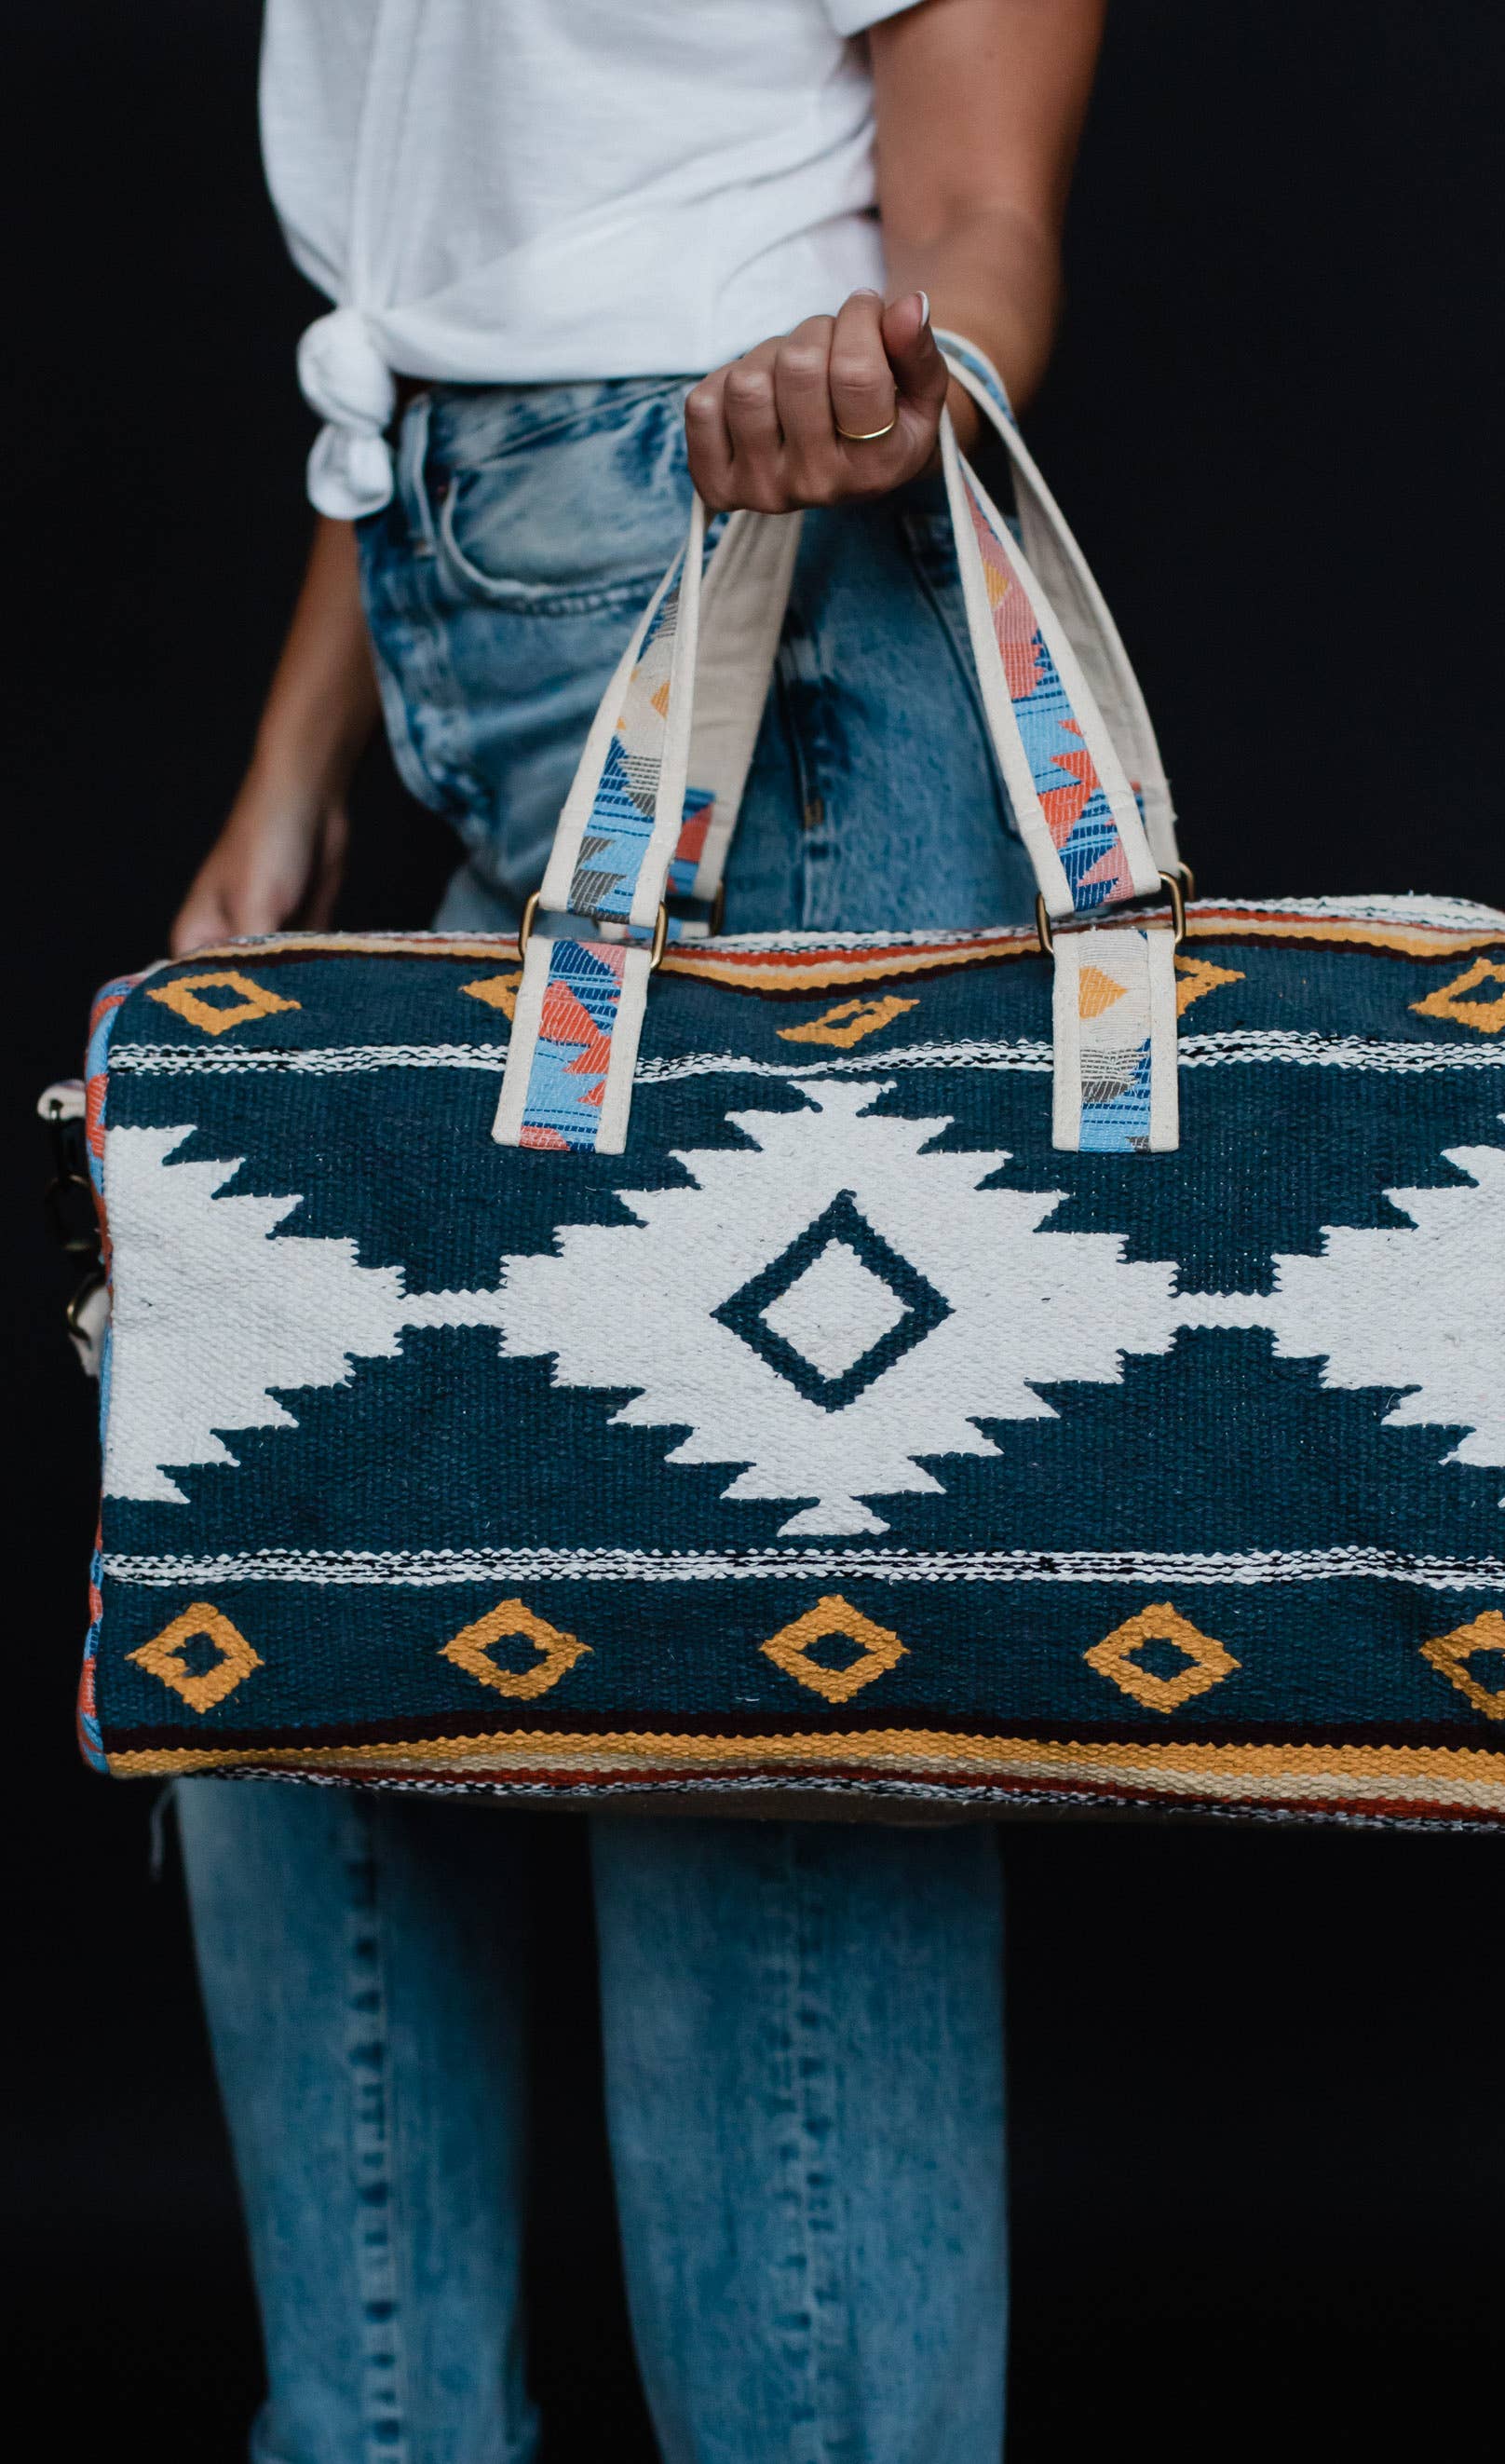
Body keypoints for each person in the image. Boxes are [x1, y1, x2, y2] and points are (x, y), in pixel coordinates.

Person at [170, 5, 1107, 2457]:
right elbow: (446, 276)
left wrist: (911, 373)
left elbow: (980, 224)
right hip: (459, 646)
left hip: (772, 638)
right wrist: (295, 779)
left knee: (759, 1763)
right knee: (295, 1660)